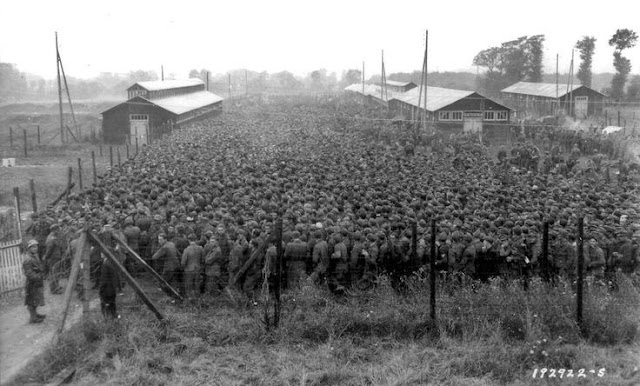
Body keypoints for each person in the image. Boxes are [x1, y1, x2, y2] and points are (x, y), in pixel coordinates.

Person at [23, 239, 46, 323]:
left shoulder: (34, 255)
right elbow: (28, 273)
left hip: (37, 281)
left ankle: (35, 314)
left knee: (36, 299)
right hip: (32, 283)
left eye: (36, 247)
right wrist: (37, 277)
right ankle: (32, 318)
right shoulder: (28, 259)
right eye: (33, 247)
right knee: (31, 300)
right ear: (29, 248)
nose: (35, 249)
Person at [181, 233, 204, 299]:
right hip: (197, 269)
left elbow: (183, 262)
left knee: (189, 286)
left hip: (188, 270)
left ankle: (190, 299)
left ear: (188, 240)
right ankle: (197, 298)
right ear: (196, 240)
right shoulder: (200, 248)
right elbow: (203, 259)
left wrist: (183, 268)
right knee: (197, 285)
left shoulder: (187, 250)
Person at [99, 251, 120, 319]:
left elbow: (104, 279)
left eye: (102, 252)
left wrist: (101, 289)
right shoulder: (111, 262)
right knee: (112, 304)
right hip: (112, 288)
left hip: (107, 289)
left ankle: (107, 319)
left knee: (106, 304)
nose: (101, 253)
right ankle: (114, 316)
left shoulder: (105, 264)